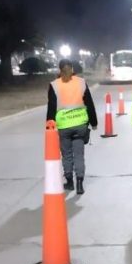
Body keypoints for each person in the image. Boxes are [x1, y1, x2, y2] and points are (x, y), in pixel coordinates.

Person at [46, 59, 98, 194]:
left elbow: (51, 107)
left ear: (60, 69)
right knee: (79, 155)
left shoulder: (54, 85)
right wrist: (94, 123)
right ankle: (80, 183)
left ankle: (69, 182)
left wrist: (49, 124)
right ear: (73, 69)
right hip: (80, 125)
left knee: (67, 155)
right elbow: (89, 104)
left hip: (64, 127)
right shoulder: (81, 83)